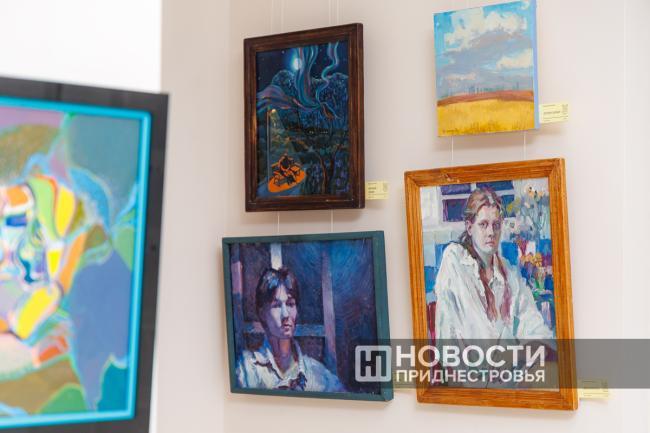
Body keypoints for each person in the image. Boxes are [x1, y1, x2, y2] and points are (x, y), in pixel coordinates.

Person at [434, 187, 556, 386]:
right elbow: (470, 339)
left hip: (508, 376)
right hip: (469, 381)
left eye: (496, 225)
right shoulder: (455, 260)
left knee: (551, 373)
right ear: (469, 227)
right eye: (483, 224)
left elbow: (539, 332)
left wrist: (516, 355)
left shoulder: (509, 273)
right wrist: (510, 355)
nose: (491, 232)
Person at [236, 266, 346, 392]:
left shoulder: (316, 374)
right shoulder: (247, 370)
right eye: (276, 305)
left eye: (290, 304)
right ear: (262, 313)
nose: (285, 315)